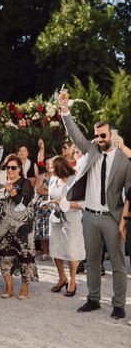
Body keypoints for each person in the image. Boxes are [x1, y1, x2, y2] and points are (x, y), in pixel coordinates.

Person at [59, 92, 131, 319]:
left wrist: (124, 220)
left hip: (112, 216)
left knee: (118, 264)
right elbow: (74, 133)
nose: (99, 139)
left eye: (103, 135)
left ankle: (118, 304)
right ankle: (93, 299)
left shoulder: (123, 159)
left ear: (112, 135)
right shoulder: (91, 150)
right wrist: (65, 109)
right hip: (89, 216)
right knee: (91, 261)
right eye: (97, 135)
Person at [0, 154, 38, 299]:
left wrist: (12, 192)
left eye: (13, 167)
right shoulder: (2, 185)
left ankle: (24, 288)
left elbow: (24, 202)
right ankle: (9, 288)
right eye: (7, 167)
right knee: (4, 257)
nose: (10, 170)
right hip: (4, 228)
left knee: (25, 258)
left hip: (23, 228)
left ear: (19, 168)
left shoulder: (26, 183)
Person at [47, 156, 84, 297]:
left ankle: (73, 281)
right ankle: (62, 278)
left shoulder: (75, 179)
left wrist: (63, 203)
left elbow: (82, 204)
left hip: (71, 218)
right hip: (55, 218)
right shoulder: (53, 179)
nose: (50, 170)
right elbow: (50, 197)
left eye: (53, 168)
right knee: (55, 249)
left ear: (61, 168)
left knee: (71, 251)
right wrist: (49, 203)